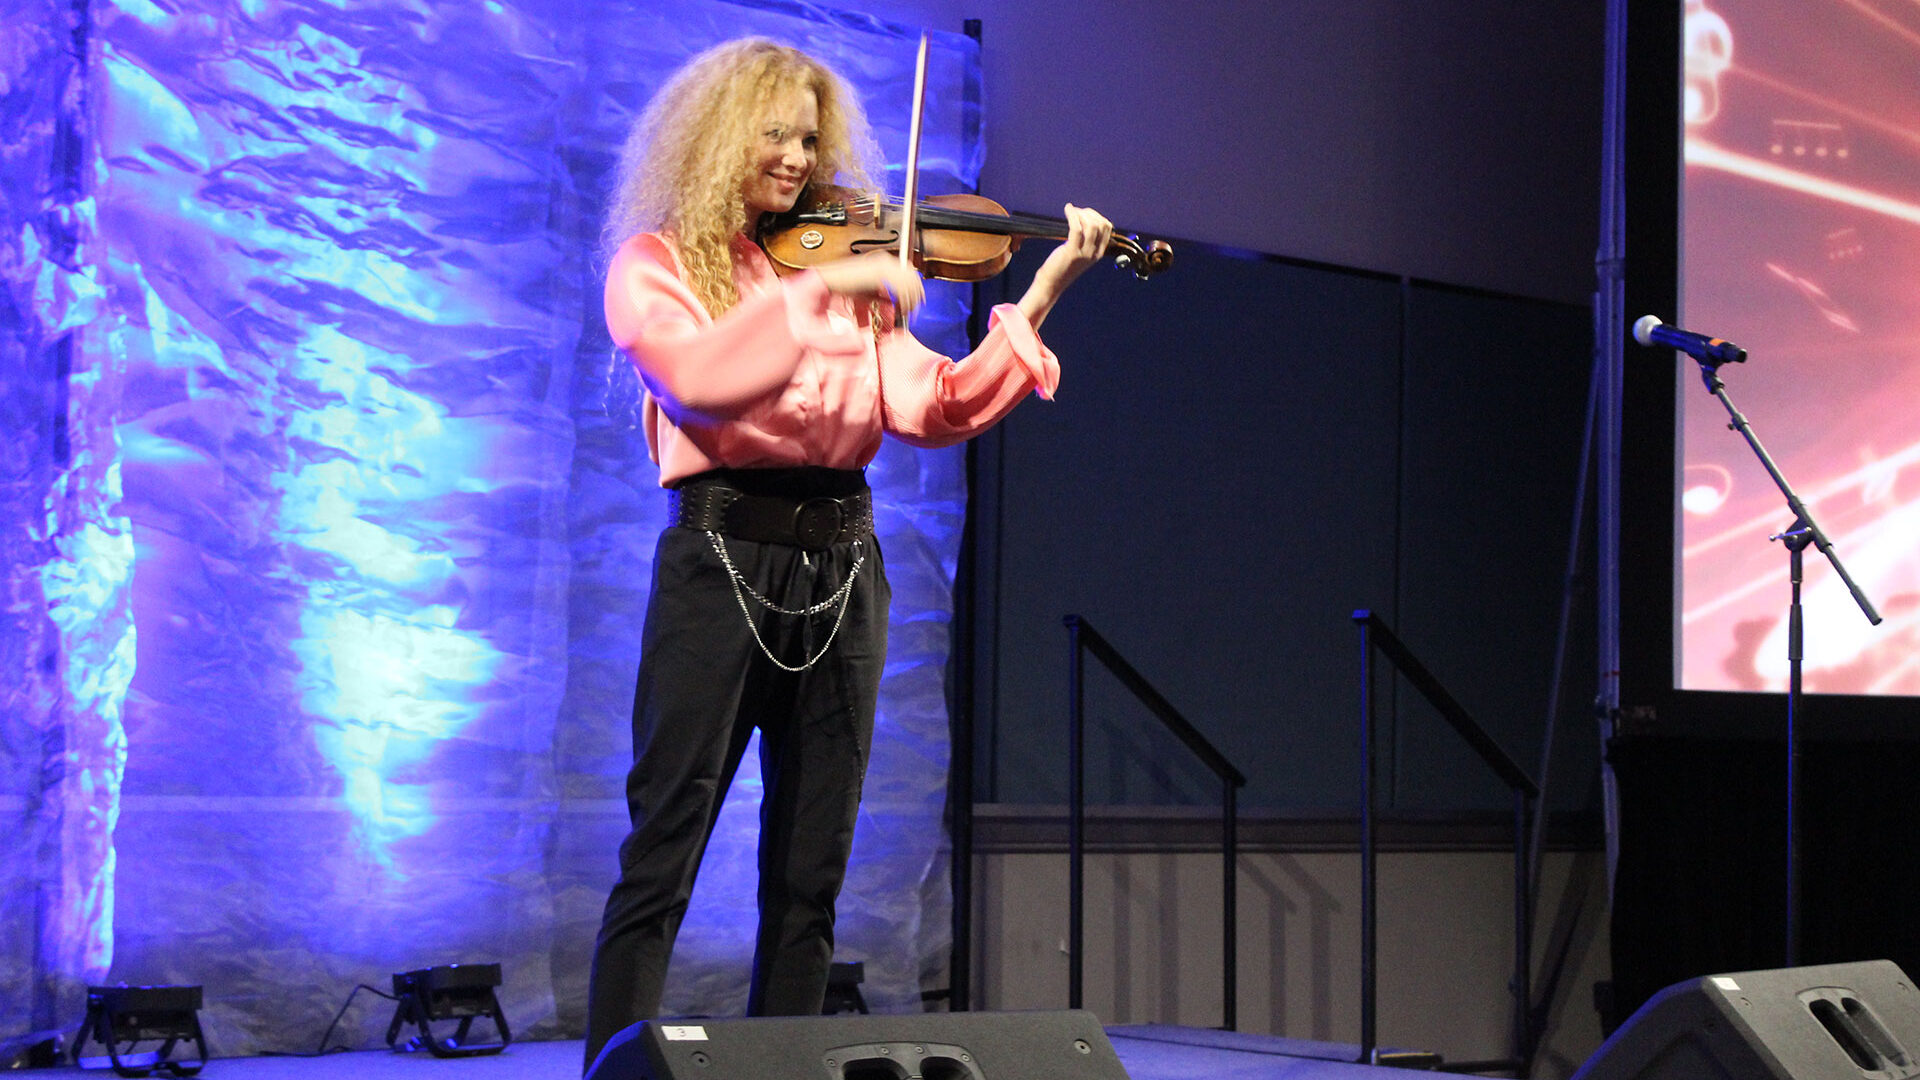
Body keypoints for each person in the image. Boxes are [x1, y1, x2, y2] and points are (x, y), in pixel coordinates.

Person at [584, 36, 1113, 1071]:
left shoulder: (842, 267)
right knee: (662, 854)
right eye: (774, 134)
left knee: (810, 867)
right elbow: (699, 380)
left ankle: (785, 1067)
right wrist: (820, 295)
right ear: (717, 136)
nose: (796, 157)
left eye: (808, 139)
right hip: (721, 556)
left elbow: (935, 405)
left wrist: (1043, 292)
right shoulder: (658, 264)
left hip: (843, 570)